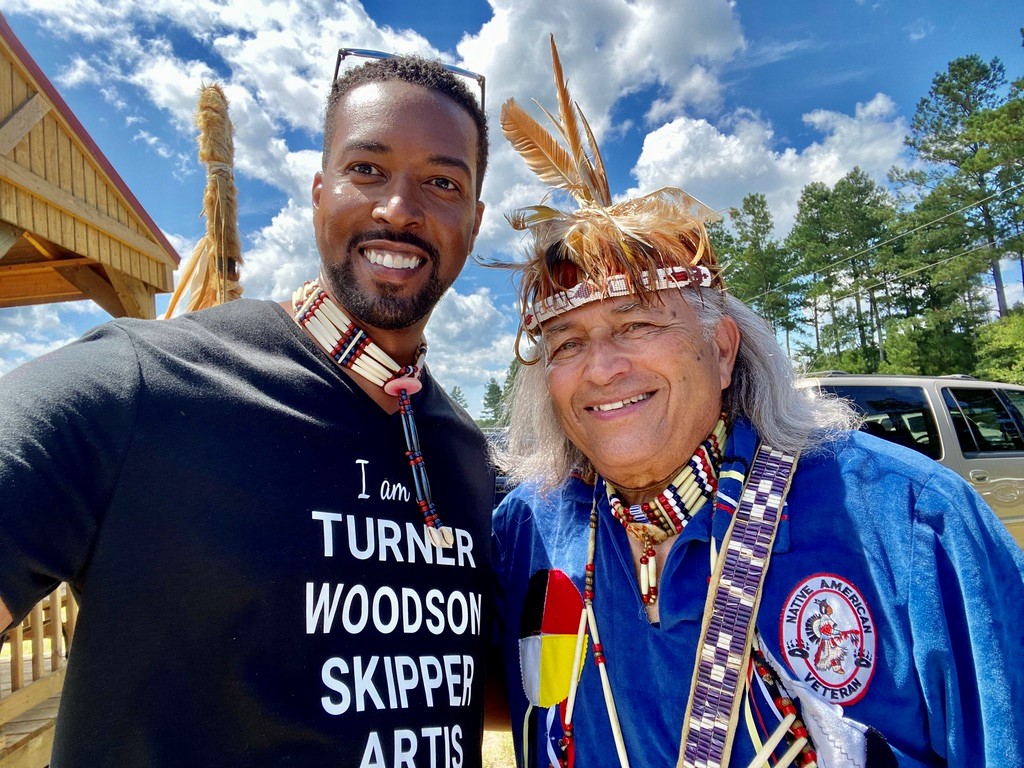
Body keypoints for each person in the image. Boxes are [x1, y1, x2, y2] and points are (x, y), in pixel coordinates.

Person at [491, 37, 1024, 768]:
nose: (601, 369)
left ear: (721, 350)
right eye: (567, 344)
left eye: (639, 324)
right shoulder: (529, 528)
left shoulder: (911, 525)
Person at [0, 52, 496, 766]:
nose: (399, 208)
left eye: (441, 182)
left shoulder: (463, 455)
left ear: (474, 222)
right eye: (367, 169)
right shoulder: (142, 387)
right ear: (319, 192)